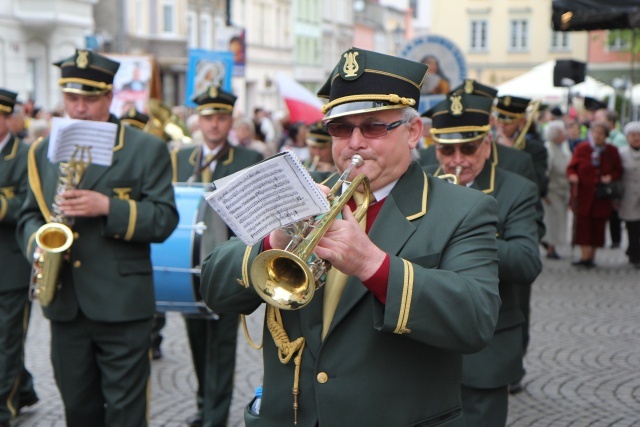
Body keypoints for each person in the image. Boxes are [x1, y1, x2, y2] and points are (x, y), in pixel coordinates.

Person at [201, 47, 501, 426]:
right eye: (341, 128)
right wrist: (272, 242)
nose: (355, 143)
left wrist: (372, 265)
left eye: (374, 126)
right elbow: (213, 286)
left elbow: (475, 320)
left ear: (413, 132)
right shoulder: (304, 195)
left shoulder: (464, 209)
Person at [16, 49, 179, 426]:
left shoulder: (146, 148)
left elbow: (165, 219)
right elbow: (28, 214)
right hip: (66, 304)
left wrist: (108, 206)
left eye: (90, 99)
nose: (80, 108)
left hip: (123, 306)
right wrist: (39, 247)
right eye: (72, 98)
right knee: (78, 408)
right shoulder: (43, 151)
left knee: (126, 412)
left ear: (109, 97)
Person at [424, 92, 542, 426]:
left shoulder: (516, 189)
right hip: (423, 340)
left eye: (469, 148)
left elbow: (526, 261)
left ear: (487, 144)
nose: (457, 160)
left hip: (486, 345)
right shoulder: (420, 178)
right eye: (447, 150)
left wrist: (468, 236)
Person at [171, 84, 263, 427]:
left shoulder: (247, 159)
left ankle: (216, 416)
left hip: (227, 266)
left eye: (221, 117)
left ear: (230, 121)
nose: (214, 125)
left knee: (222, 345)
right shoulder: (181, 158)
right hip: (188, 266)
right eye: (208, 117)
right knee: (196, 340)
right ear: (199, 120)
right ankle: (202, 403)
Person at [0, 89, 39, 427]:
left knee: (7, 338)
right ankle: (23, 387)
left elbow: (30, 204)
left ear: (7, 119)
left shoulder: (24, 154)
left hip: (11, 265)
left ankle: (4, 406)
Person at [567, 121, 623, 267]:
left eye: (601, 134)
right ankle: (585, 257)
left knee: (598, 227)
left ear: (606, 136)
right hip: (584, 195)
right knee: (583, 227)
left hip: (602, 196)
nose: (597, 136)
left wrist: (611, 177)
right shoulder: (582, 148)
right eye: (595, 133)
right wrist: (573, 176)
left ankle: (591, 256)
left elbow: (618, 171)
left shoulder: (612, 151)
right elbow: (571, 167)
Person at [493, 95, 549, 198]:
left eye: (507, 123)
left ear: (521, 122)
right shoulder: (488, 147)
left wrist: (512, 154)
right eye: (499, 120)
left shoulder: (536, 149)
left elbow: (538, 187)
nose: (501, 126)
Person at [542, 120, 572, 259]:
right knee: (551, 220)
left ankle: (552, 245)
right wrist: (544, 192)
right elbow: (546, 172)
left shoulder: (563, 146)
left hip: (562, 189)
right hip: (551, 190)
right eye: (561, 132)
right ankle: (549, 247)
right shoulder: (549, 149)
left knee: (558, 220)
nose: (565, 134)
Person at [617, 122, 640, 268]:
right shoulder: (621, 153)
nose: (636, 138)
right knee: (632, 227)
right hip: (628, 196)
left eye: (639, 135)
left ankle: (634, 251)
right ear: (627, 137)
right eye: (633, 135)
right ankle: (634, 255)